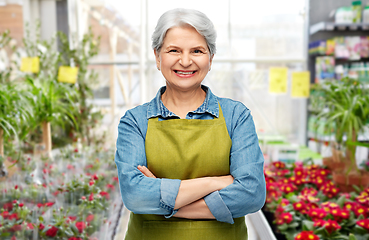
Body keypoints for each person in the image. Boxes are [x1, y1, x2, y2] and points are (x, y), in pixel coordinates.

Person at [114, 8, 266, 240]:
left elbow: (251, 195)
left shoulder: (237, 116)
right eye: (173, 50)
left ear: (211, 58)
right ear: (157, 56)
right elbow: (135, 196)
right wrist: (215, 182)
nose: (185, 61)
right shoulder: (135, 121)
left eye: (197, 51)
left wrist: (167, 203)